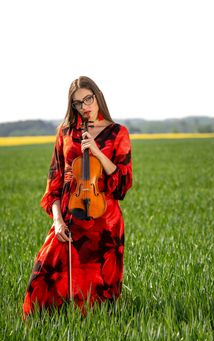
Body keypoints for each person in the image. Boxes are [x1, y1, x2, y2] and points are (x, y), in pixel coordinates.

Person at [23, 76, 132, 316]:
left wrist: (96, 151)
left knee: (99, 299)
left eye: (88, 99)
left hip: (104, 223)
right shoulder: (64, 132)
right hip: (70, 217)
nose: (84, 107)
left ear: (98, 96)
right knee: (42, 281)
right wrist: (57, 220)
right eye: (77, 103)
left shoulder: (118, 133)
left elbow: (122, 184)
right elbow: (55, 180)